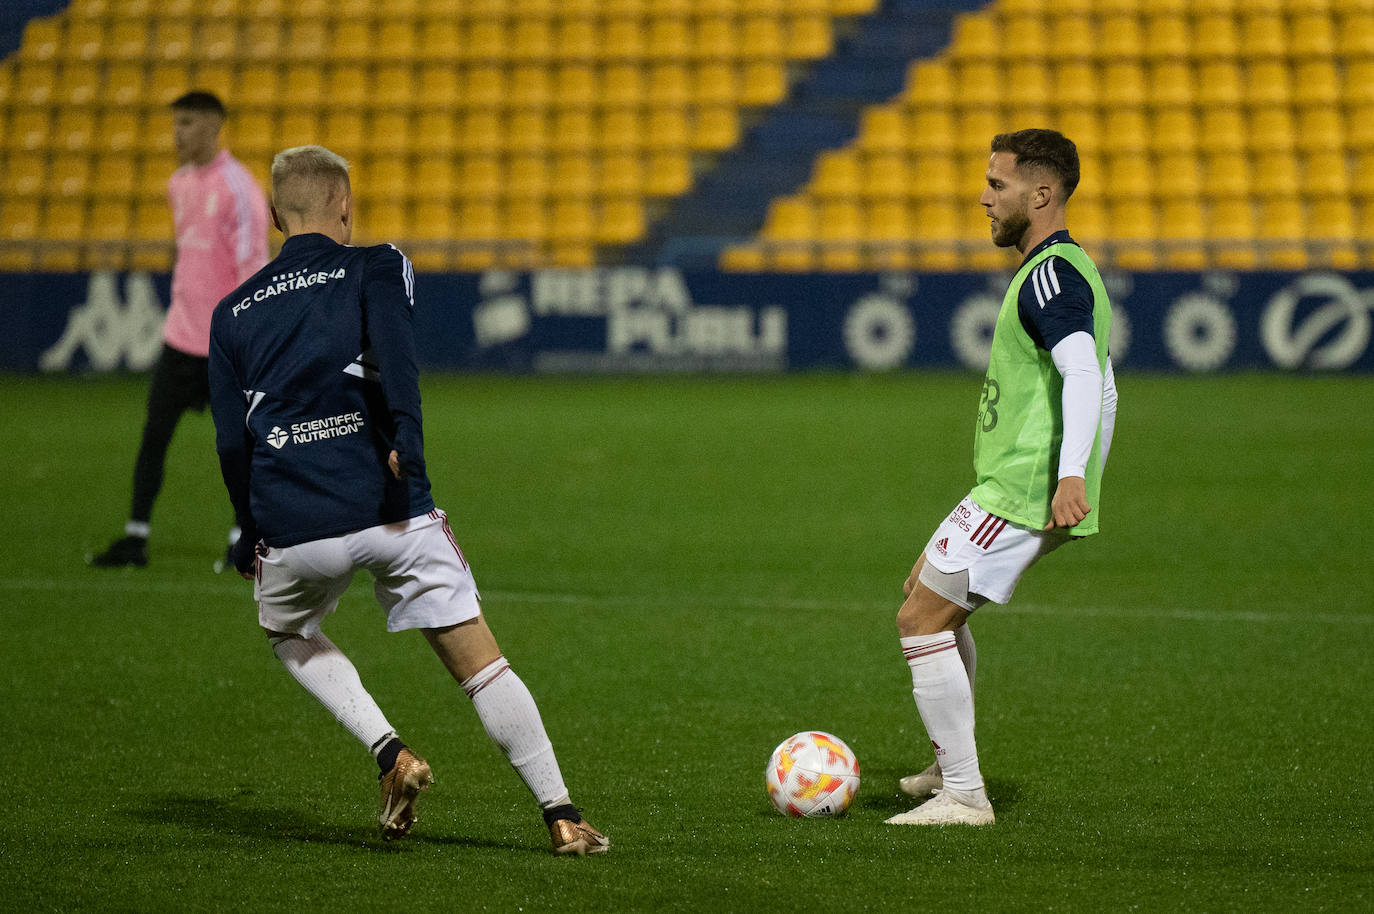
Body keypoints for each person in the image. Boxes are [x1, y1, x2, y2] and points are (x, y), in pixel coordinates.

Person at [206, 145, 608, 854]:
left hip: (296, 524)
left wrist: (246, 532)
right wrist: (408, 448)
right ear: (345, 205)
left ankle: (389, 752)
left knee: (288, 632)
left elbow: (232, 442)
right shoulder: (377, 263)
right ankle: (562, 814)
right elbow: (396, 357)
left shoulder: (231, 311)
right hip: (391, 508)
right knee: (483, 668)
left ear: (274, 216)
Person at [885, 129, 1118, 826]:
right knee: (923, 592)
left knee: (920, 618)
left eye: (998, 185)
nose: (983, 198)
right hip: (1015, 482)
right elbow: (1104, 383)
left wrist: (1071, 474)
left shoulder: (1052, 273)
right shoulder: (1056, 268)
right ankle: (946, 763)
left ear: (1041, 194)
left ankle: (964, 793)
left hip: (1022, 489)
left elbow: (1082, 371)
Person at [90, 90, 269, 568]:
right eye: (175, 123)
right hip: (178, 338)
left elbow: (254, 270)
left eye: (187, 123)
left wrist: (244, 339)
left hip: (224, 347)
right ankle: (135, 537)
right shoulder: (178, 183)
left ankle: (245, 540)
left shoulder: (240, 189)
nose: (177, 133)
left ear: (214, 125)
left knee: (236, 445)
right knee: (154, 437)